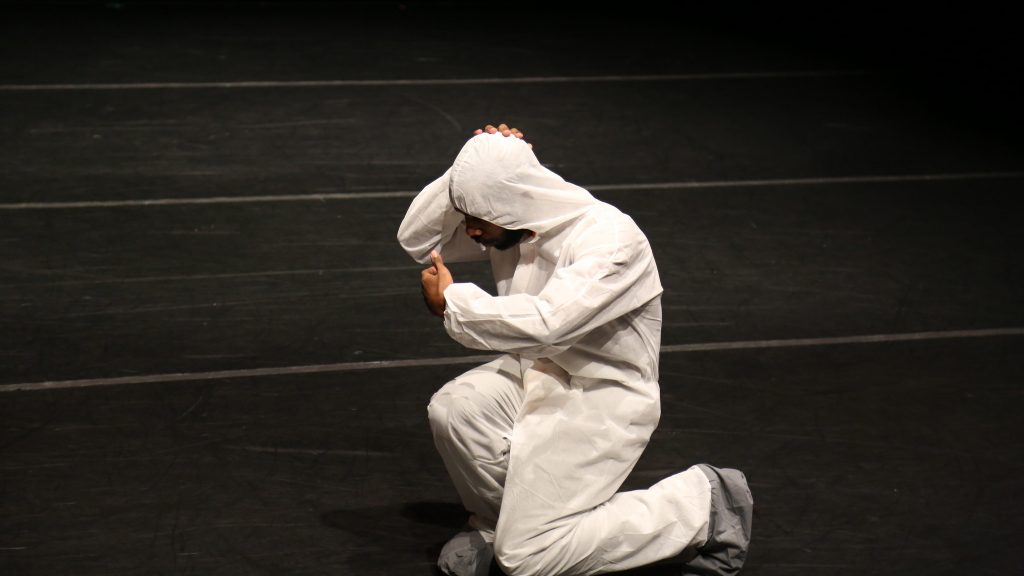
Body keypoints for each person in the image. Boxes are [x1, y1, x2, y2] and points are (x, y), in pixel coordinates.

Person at [397, 124, 753, 576]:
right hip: (536, 371)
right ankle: (496, 523)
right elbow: (418, 241)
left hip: (602, 396)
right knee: (456, 409)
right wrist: (471, 168)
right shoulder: (510, 217)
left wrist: (452, 302)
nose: (470, 229)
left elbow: (549, 326)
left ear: (512, 200)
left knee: (527, 560)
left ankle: (700, 507)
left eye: (478, 216)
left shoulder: (611, 241)